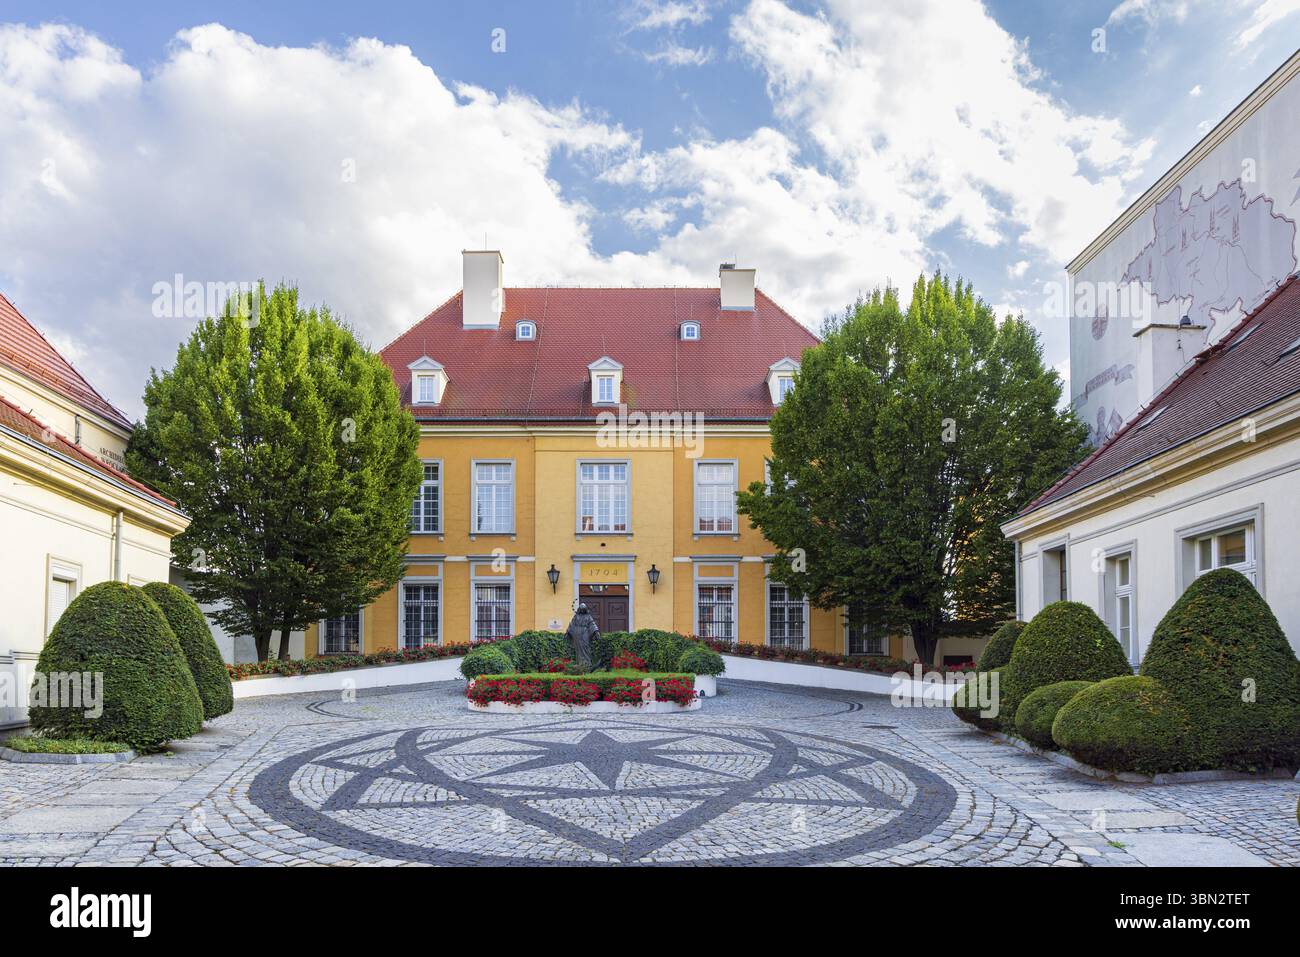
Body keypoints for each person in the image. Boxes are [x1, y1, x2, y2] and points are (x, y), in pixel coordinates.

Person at [565, 604, 600, 672]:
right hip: (576, 634)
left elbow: (592, 624)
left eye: (583, 609)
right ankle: (580, 663)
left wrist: (596, 632)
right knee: (578, 648)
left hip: (585, 633)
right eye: (581, 609)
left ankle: (587, 664)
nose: (582, 610)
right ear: (579, 610)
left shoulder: (588, 617)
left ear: (585, 609)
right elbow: (571, 624)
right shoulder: (576, 616)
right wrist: (568, 633)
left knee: (585, 647)